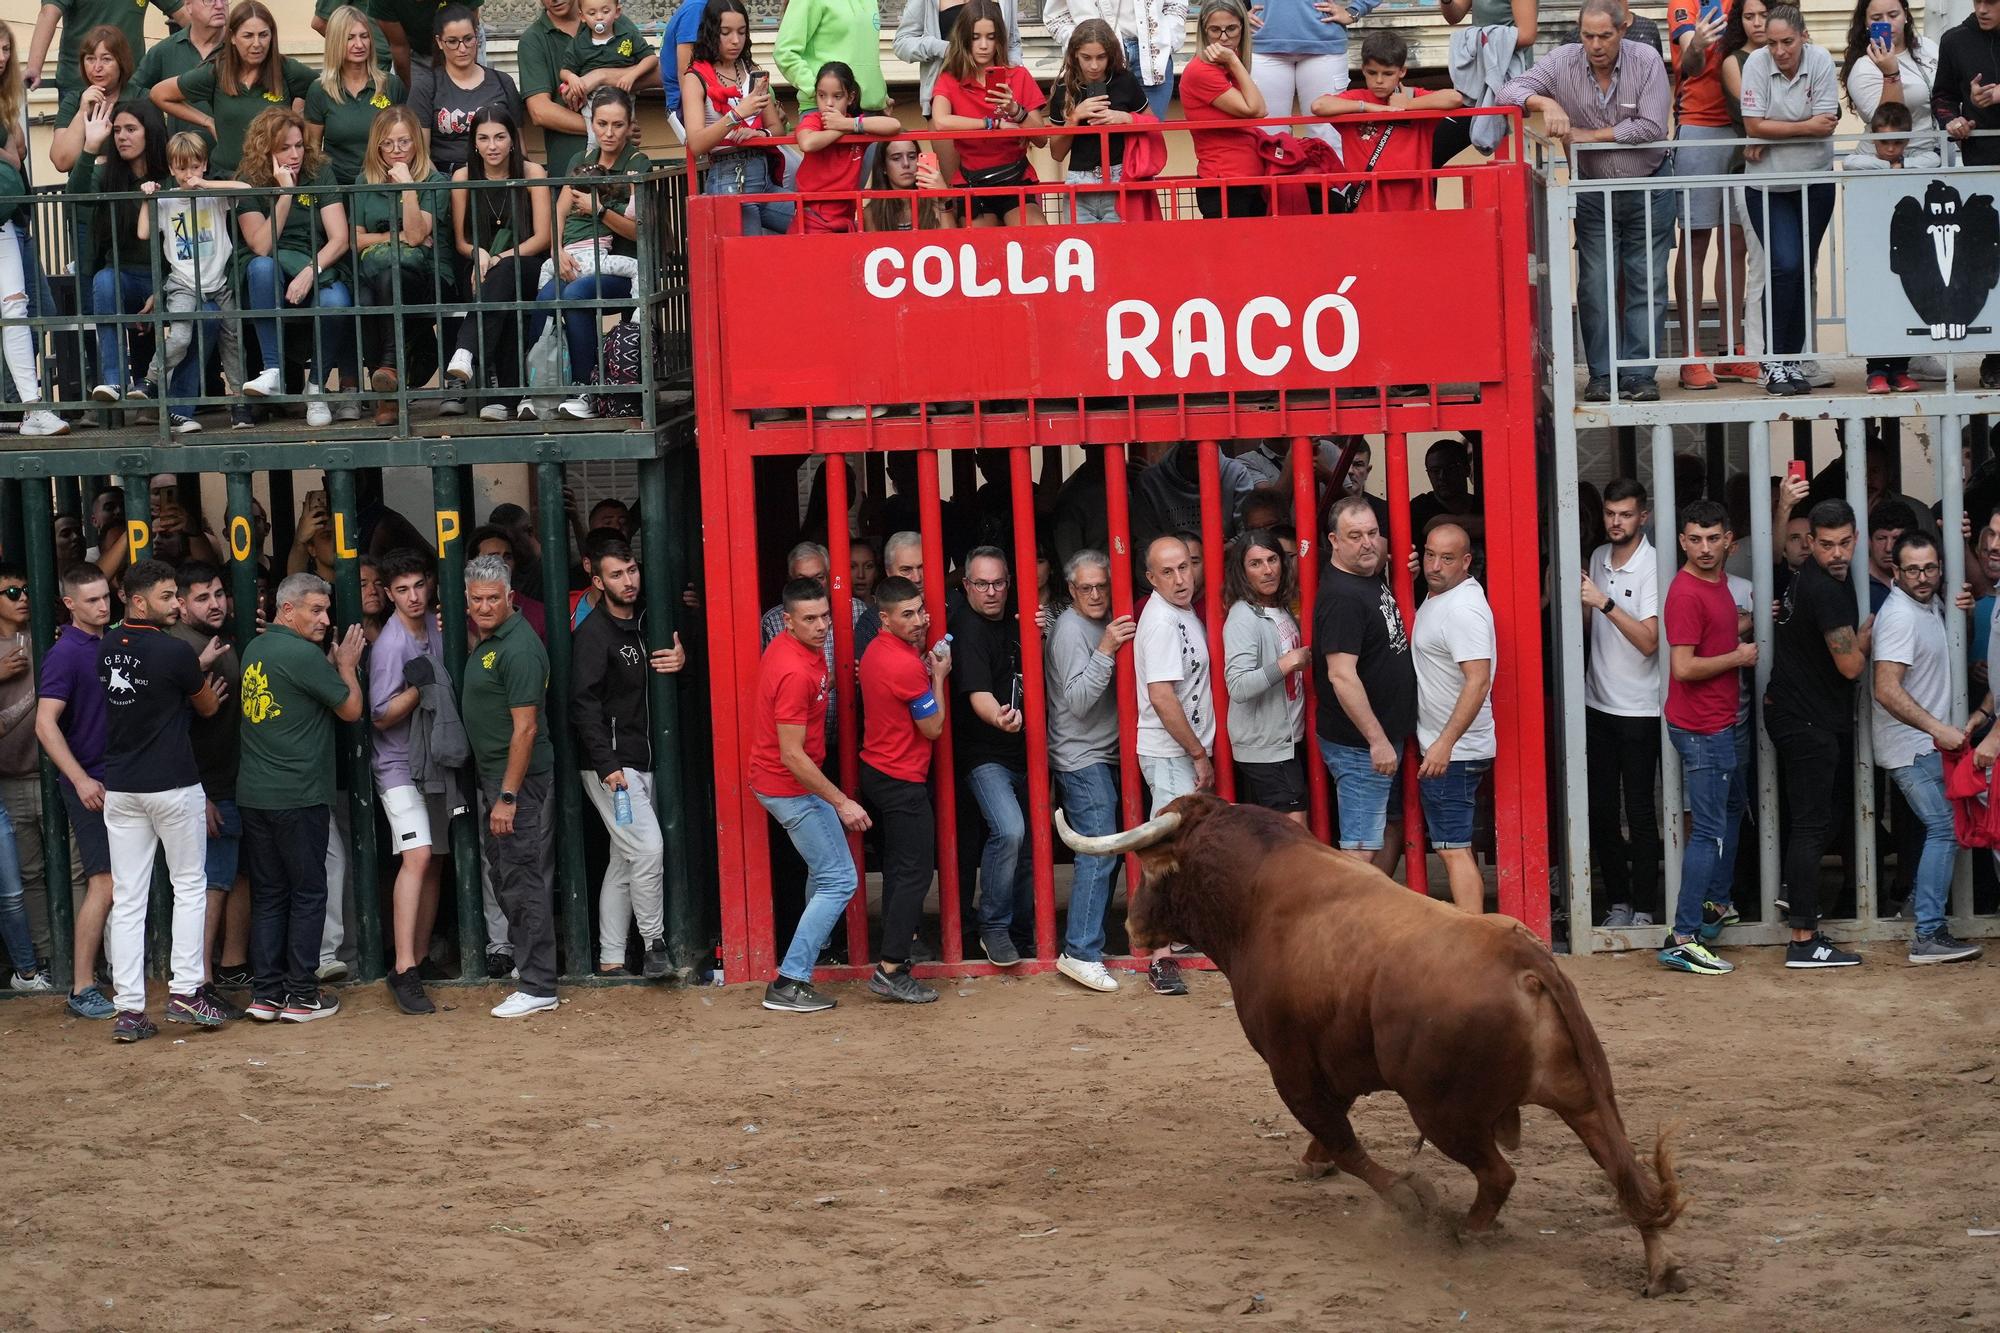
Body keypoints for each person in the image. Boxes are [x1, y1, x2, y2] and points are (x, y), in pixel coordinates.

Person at [1498, 0, 1673, 402]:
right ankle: (1602, 375)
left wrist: (1586, 136)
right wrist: (1545, 103)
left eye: (1604, 36)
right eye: (1587, 35)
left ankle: (1639, 375)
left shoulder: (1646, 59)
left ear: (1623, 29)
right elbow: (1510, 90)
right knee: (1594, 285)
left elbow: (1651, 126)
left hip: (1647, 183)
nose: (1595, 45)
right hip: (1593, 188)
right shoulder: (1563, 60)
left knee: (1648, 281)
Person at [98, 560, 229, 1041]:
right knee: (189, 886)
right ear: (138, 600)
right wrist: (198, 680)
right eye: (168, 596)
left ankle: (129, 1008)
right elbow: (208, 705)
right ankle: (186, 992)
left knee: (129, 897)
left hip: (122, 786)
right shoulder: (175, 651)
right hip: (173, 784)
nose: (176, 603)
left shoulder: (108, 644)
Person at [237, 572, 364, 1023]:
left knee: (271, 894)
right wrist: (346, 666)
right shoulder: (303, 655)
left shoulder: (256, 648)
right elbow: (351, 710)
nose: (326, 619)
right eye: (316, 609)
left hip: (254, 795)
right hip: (298, 795)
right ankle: (301, 996)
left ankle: (266, 994)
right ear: (286, 609)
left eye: (326, 609)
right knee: (309, 892)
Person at [753, 576, 871, 1014]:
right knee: (840, 880)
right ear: (787, 621)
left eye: (825, 616)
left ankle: (800, 968)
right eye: (810, 619)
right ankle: (789, 980)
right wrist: (842, 801)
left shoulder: (805, 652)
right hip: (791, 786)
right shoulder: (793, 668)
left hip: (792, 782)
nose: (822, 626)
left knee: (825, 876)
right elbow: (792, 755)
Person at [570, 539, 686, 978]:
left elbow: (675, 682)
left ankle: (612, 958)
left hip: (644, 760)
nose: (628, 580)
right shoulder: (593, 634)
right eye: (616, 574)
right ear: (598, 582)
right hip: (614, 768)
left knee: (626, 860)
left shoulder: (649, 623)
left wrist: (683, 660)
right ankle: (655, 945)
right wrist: (608, 766)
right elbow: (582, 705)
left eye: (632, 570)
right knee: (649, 849)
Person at [1870, 532, 1985, 964]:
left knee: (1949, 828)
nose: (1923, 577)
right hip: (1911, 749)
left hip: (1927, 746)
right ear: (1895, 572)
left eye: (1930, 568)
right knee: (1945, 829)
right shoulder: (1899, 616)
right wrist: (1938, 728)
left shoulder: (1929, 604)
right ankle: (1928, 933)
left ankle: (1919, 911)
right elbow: (1885, 689)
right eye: (1913, 570)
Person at [1767, 498, 1868, 968]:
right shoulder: (1826, 590)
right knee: (1811, 826)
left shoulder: (1803, 576)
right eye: (1826, 545)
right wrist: (1867, 639)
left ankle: (1804, 921)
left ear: (1855, 538)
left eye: (1844, 543)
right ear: (1811, 543)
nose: (1837, 553)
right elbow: (1849, 666)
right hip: (1807, 721)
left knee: (1812, 823)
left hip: (1795, 714)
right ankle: (1804, 939)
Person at [461, 554, 561, 1018]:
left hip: (515, 783)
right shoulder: (490, 640)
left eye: (492, 599)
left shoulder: (518, 647)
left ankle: (540, 984)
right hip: (496, 778)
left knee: (521, 878)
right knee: (505, 875)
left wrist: (507, 796)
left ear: (510, 599)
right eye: (477, 599)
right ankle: (531, 968)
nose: (484, 607)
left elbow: (525, 729)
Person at [1654, 500, 1751, 976]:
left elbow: (1710, 636)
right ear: (1682, 541)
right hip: (1702, 729)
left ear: (1729, 539)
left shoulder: (1717, 586)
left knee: (1730, 812)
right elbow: (1684, 666)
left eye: (1713, 538)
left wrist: (1742, 630)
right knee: (1709, 831)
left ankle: (1714, 906)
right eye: (1695, 539)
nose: (1705, 547)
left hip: (1718, 722)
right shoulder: (1687, 593)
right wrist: (1738, 656)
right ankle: (1683, 936)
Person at [524, 86, 648, 421]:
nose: (609, 133)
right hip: (579, 259)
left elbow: (640, 231)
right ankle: (538, 387)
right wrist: (557, 250)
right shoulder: (581, 161)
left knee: (576, 294)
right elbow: (560, 212)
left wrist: (601, 210)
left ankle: (586, 387)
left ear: (629, 125)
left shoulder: (637, 163)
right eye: (602, 123)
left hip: (622, 266)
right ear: (592, 123)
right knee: (546, 295)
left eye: (618, 125)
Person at [1044, 549, 1132, 993]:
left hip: (1106, 754)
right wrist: (1107, 649)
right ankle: (1079, 950)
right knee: (1098, 850)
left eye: (1102, 585)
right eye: (1086, 588)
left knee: (1108, 850)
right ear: (1071, 590)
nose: (1096, 594)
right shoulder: (1070, 630)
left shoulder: (1103, 621)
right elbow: (1077, 702)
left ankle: (1088, 939)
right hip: (1081, 757)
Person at [857, 575, 949, 1004]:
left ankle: (894, 962)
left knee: (899, 870)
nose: (918, 621)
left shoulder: (876, 650)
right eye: (907, 614)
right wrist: (940, 678)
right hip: (901, 781)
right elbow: (932, 727)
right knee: (915, 874)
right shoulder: (904, 663)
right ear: (885, 618)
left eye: (920, 611)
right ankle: (891, 968)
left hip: (878, 771)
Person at [365, 549, 449, 1012]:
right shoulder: (392, 643)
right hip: (397, 764)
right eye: (402, 590)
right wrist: (423, 687)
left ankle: (417, 957)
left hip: (431, 761)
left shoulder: (435, 626)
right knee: (417, 855)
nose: (414, 597)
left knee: (433, 858)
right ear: (388, 593)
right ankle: (402, 968)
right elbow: (379, 715)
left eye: (419, 586)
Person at [236, 107, 358, 428]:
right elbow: (261, 245)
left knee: (336, 303)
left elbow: (339, 239)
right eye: (284, 148)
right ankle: (272, 371)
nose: (295, 154)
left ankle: (316, 388)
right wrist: (286, 193)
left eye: (299, 145)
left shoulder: (320, 172)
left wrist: (310, 271)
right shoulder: (248, 179)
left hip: (314, 262)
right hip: (271, 265)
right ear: (266, 150)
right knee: (261, 267)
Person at [1315, 495, 1417, 875]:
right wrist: (1376, 740)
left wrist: (1409, 574)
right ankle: (1339, 934)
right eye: (1354, 536)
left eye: (1372, 533)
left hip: (1380, 742)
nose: (1367, 543)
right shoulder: (1343, 596)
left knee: (1384, 831)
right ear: (1334, 541)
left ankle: (1374, 921)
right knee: (1359, 852)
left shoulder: (1365, 579)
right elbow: (1341, 675)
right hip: (1361, 748)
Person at [1739, 4, 1837, 398]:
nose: (1779, 50)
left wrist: (1773, 132)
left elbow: (1826, 121)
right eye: (1772, 42)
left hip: (1814, 180)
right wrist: (1803, 128)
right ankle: (1772, 361)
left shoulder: (1821, 60)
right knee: (1784, 265)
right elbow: (1752, 125)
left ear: (1804, 36)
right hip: (1767, 184)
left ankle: (1792, 361)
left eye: (1787, 42)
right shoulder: (1757, 64)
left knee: (1802, 271)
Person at [1668, 0, 1762, 390]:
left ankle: (1731, 350)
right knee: (1696, 240)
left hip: (1746, 126)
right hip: (1700, 126)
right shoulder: (1684, 2)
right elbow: (1689, 64)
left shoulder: (1745, 4)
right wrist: (1698, 45)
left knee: (1736, 240)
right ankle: (1691, 355)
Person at [1579, 478, 1661, 927]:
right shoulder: (1596, 557)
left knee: (1642, 811)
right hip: (1597, 705)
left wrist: (1604, 602)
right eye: (1611, 513)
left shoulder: (1652, 564)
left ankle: (1646, 908)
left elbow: (1650, 642)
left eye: (1625, 514)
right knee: (1603, 811)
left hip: (1640, 710)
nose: (1616, 521)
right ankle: (1618, 904)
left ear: (1642, 516)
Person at [37, 565, 117, 1019]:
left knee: (122, 884)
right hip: (91, 784)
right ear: (70, 604)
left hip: (123, 781)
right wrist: (81, 779)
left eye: (106, 597)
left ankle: (110, 977)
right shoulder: (65, 653)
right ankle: (82, 985)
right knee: (103, 883)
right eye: (91, 600)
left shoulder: (113, 642)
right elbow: (44, 725)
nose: (103, 606)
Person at [950, 545, 1036, 967]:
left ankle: (1022, 931)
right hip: (985, 754)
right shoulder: (967, 627)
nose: (991, 592)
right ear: (966, 585)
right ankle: (994, 927)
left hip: (1029, 752)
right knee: (1011, 831)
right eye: (981, 584)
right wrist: (998, 719)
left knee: (1027, 847)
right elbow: (978, 693)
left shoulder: (1019, 615)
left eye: (998, 582)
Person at [1134, 534, 1211, 997]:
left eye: (1185, 567)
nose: (1181, 579)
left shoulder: (1182, 612)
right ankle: (1159, 957)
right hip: (1169, 750)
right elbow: (1162, 697)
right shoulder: (1161, 621)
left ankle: (1175, 938)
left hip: (1180, 749)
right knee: (1163, 853)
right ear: (1151, 578)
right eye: (1168, 572)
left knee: (1181, 850)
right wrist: (1198, 752)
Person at [137, 132, 251, 433]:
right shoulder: (167, 200)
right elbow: (143, 233)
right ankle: (151, 380)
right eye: (182, 168)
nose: (189, 175)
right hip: (183, 282)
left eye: (196, 166)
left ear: (204, 165)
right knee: (180, 337)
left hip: (219, 282)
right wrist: (147, 197)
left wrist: (206, 184)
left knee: (233, 340)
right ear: (172, 169)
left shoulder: (213, 195)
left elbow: (246, 188)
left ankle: (239, 403)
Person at [1410, 521, 1496, 915]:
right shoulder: (1442, 595)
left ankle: (1474, 943)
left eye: (1446, 558)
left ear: (1466, 562)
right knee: (1454, 845)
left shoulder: (1463, 609)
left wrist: (1445, 744)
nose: (1435, 565)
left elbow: (1478, 681)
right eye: (1429, 554)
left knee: (1452, 850)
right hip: (1450, 748)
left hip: (1454, 753)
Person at [351, 105, 452, 426]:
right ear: (376, 146)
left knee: (388, 280)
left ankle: (387, 393)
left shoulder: (433, 181)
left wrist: (408, 185)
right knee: (367, 297)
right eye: (388, 143)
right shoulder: (363, 182)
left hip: (425, 277)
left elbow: (417, 233)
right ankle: (389, 377)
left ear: (416, 144)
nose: (397, 151)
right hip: (377, 276)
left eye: (405, 142)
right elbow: (355, 240)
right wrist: (394, 237)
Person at [447, 107, 551, 419]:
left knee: (505, 275)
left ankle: (466, 350)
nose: (492, 145)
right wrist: (478, 253)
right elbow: (460, 241)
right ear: (474, 143)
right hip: (479, 268)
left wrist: (498, 259)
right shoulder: (463, 177)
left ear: (512, 141)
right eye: (484, 138)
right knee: (502, 295)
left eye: (499, 137)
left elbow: (543, 237)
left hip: (528, 264)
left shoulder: (532, 173)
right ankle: (512, 399)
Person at [69, 96, 169, 409]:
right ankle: (115, 379)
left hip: (167, 278)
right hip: (123, 276)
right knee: (104, 281)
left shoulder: (171, 176)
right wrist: (89, 148)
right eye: (117, 130)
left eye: (131, 129)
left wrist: (163, 287)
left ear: (149, 132)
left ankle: (149, 386)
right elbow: (76, 196)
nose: (122, 136)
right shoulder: (108, 174)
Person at [152, 2, 315, 177]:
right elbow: (159, 94)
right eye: (248, 36)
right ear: (232, 37)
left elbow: (324, 92)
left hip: (274, 182)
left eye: (263, 35)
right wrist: (207, 121)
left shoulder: (287, 70)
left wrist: (297, 117)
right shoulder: (216, 72)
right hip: (227, 181)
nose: (256, 43)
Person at [1310, 31, 1464, 211]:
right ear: (1363, 70)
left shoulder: (1413, 96)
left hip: (1416, 207)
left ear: (1402, 71)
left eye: (1388, 73)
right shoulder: (1357, 98)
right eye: (1372, 73)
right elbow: (1319, 105)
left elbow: (1454, 98)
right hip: (1368, 208)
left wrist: (1409, 104)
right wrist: (1368, 107)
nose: (1379, 80)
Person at [682, 0, 794, 237]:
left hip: (763, 175)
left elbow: (777, 128)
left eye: (742, 32)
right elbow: (697, 144)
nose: (736, 40)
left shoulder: (751, 69)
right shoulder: (695, 77)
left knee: (813, 224)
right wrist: (737, 115)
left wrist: (760, 134)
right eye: (726, 32)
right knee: (747, 259)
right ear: (711, 32)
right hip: (728, 179)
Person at [930, 5, 1047, 228]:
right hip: (973, 184)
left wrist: (1015, 110)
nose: (984, 45)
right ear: (964, 39)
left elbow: (1041, 139)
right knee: (979, 250)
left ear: (999, 40)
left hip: (1015, 179)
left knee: (1038, 240)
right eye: (976, 37)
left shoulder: (1018, 75)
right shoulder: (950, 78)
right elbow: (941, 121)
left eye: (991, 37)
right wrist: (994, 124)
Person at [1222, 530, 1310, 821]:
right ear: (1242, 571)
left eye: (1272, 559)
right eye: (1256, 563)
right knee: (1294, 836)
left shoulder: (1279, 608)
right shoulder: (1243, 617)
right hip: (1266, 748)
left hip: (1286, 741)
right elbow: (1238, 686)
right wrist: (1286, 663)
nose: (1268, 569)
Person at [1936, 0, 2000, 394]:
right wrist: (1954, 120)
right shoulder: (1955, 40)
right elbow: (1941, 96)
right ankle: (1995, 355)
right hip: (1983, 172)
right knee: (1989, 264)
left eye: (1990, 1)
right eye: (1976, 0)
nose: (1981, 8)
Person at [0, 565, 54, 990]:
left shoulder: (48, 637)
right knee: (27, 879)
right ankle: (45, 959)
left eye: (25, 589)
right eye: (11, 591)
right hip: (12, 780)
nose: (22, 597)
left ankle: (73, 956)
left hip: (57, 775)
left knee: (73, 873)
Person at [1045, 20, 1148, 224]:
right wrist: (1075, 118)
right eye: (1086, 57)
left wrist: (1125, 118)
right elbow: (1056, 153)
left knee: (1120, 252)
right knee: (1083, 253)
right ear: (1074, 54)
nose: (1094, 65)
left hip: (1120, 179)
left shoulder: (1124, 80)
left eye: (1101, 57)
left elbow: (1153, 125)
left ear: (1110, 55)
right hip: (1079, 183)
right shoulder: (1063, 88)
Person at [1179, 0, 1269, 220]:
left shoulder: (1228, 61)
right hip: (1224, 182)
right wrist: (1234, 61)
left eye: (1231, 29)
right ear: (1203, 31)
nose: (1223, 38)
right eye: (1215, 30)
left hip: (1248, 177)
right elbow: (1257, 109)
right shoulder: (1201, 70)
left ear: (1242, 28)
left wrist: (1233, 61)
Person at [409, 6, 521, 176]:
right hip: (444, 177)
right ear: (440, 42)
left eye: (468, 39)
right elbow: (420, 155)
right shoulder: (426, 86)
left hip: (497, 179)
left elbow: (519, 146)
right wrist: (444, 189)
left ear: (477, 36)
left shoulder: (503, 82)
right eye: (453, 41)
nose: (462, 49)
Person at [1253, 0, 1376, 145]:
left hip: (1324, 43)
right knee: (1267, 138)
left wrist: (1355, 10)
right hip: (1263, 42)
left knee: (1328, 137)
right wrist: (1236, 13)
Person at [307, 7, 406, 186]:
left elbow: (408, 139)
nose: (359, 45)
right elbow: (312, 151)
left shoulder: (391, 85)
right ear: (336, 42)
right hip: (337, 189)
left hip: (383, 186)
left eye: (364, 36)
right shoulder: (319, 90)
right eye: (350, 38)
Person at [1043, 0, 1185, 119]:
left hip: (1153, 56)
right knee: (1104, 140)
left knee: (1149, 139)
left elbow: (1176, 5)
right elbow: (1055, 16)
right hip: (1100, 59)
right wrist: (1083, 43)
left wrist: (1167, 37)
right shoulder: (1093, 62)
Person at [896, 0, 1024, 130]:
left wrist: (1017, 93)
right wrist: (945, 49)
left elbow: (1012, 44)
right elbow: (902, 43)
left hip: (996, 98)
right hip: (945, 98)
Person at [775, 0, 889, 119]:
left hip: (870, 110)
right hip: (825, 110)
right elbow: (785, 52)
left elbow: (865, 52)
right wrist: (819, 91)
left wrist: (881, 96)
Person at [45, 24, 134, 175]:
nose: (97, 67)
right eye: (90, 59)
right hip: (85, 189)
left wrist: (102, 162)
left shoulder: (140, 97)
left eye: (106, 59)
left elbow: (152, 158)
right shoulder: (74, 100)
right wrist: (82, 112)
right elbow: (61, 161)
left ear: (121, 62)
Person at [519, 0, 586, 174]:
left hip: (622, 165)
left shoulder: (606, 17)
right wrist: (608, 129)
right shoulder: (533, 39)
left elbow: (658, 73)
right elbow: (540, 112)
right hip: (569, 170)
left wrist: (603, 76)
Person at [557, 0, 660, 106]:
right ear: (582, 16)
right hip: (592, 100)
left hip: (623, 99)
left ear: (617, 12)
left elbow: (651, 59)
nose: (599, 17)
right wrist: (571, 77)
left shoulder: (628, 34)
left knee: (623, 121)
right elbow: (564, 71)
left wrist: (632, 75)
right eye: (592, 13)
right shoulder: (578, 43)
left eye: (606, 11)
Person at [370, 0, 484, 86]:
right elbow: (399, 47)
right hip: (415, 49)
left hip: (462, 41)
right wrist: (409, 97)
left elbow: (468, 34)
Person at [132, 0, 224, 97]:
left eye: (224, 0)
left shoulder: (236, 46)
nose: (219, 5)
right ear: (188, 6)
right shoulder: (164, 51)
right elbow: (133, 93)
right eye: (209, 1)